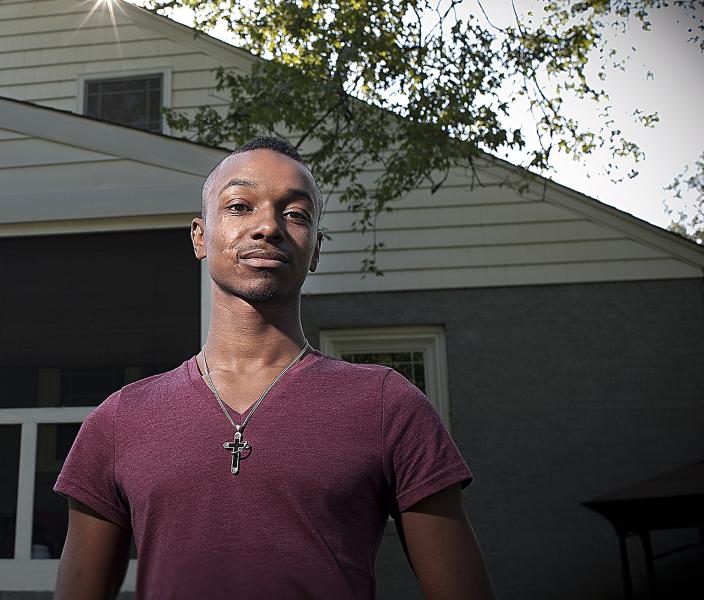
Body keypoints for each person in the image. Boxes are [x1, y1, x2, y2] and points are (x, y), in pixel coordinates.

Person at [52, 137, 494, 599]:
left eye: (296, 214)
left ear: (316, 250)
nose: (268, 227)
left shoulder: (388, 406)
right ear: (200, 236)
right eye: (240, 206)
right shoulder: (120, 420)